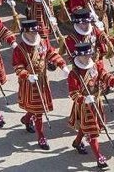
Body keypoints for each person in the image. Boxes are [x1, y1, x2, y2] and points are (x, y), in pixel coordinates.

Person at [12, 20, 68, 150]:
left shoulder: (42, 41)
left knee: (37, 107)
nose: (34, 34)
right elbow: (17, 67)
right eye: (31, 32)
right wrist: (27, 75)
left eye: (35, 31)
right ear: (25, 32)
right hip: (29, 82)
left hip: (42, 80)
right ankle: (41, 136)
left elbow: (51, 53)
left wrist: (62, 65)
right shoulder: (20, 49)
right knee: (38, 110)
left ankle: (27, 119)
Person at [66, 42, 114, 170]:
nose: (89, 57)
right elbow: (73, 94)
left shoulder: (94, 65)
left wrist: (113, 82)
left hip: (97, 101)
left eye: (90, 54)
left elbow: (104, 74)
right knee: (92, 131)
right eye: (86, 55)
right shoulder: (74, 74)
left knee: (88, 127)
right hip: (85, 106)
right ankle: (99, 157)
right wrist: (84, 99)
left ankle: (77, 142)